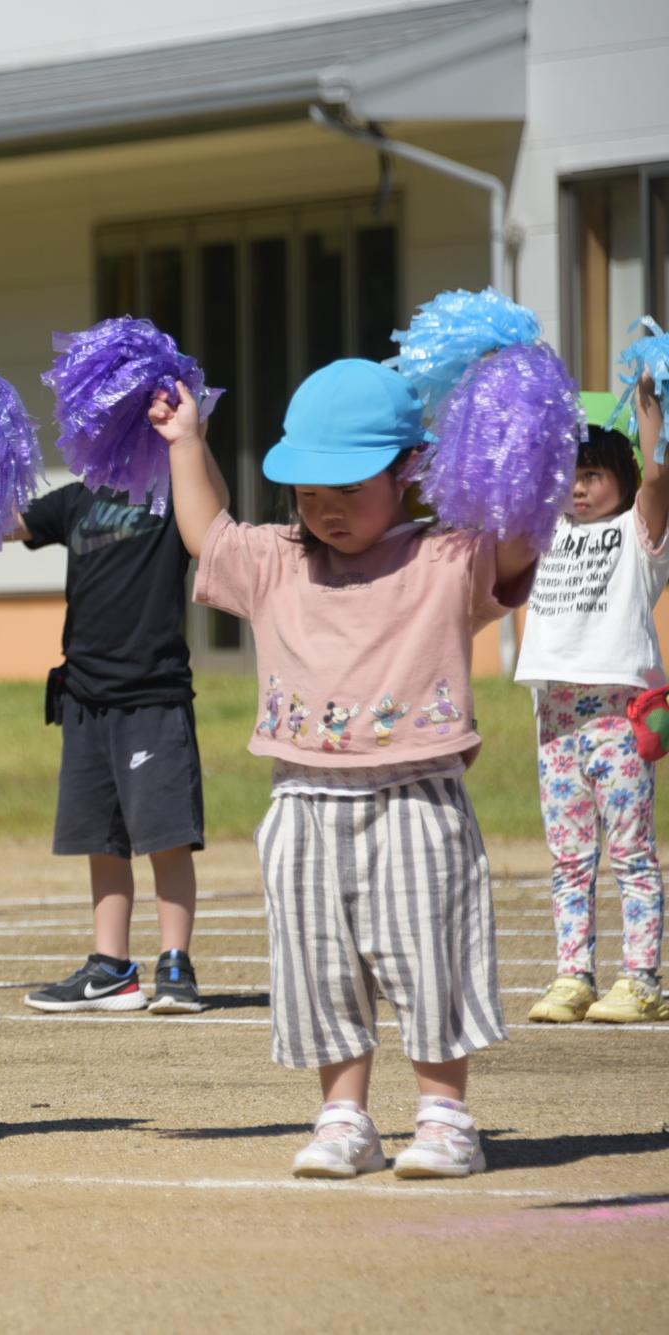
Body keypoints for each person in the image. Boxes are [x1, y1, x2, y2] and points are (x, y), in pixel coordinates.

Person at [161, 358, 536, 1179]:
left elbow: (515, 543)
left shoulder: (450, 556)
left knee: (430, 956)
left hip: (417, 797)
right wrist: (186, 440)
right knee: (319, 964)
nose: (325, 509)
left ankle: (444, 1117)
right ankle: (345, 1118)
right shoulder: (277, 559)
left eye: (347, 487)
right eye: (308, 491)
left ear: (409, 470)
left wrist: (515, 444)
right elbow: (208, 534)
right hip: (302, 800)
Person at [11, 480, 203, 1015]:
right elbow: (8, 524)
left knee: (167, 836)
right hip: (84, 694)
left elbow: (211, 507)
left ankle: (175, 963)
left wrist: (188, 436)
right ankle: (111, 968)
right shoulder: (78, 498)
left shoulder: (171, 491)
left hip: (151, 695)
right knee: (102, 837)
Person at [517, 377, 669, 1024]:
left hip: (619, 713)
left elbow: (659, 485)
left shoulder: (640, 534)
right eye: (569, 473)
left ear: (625, 476)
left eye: (592, 472)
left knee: (632, 852)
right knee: (569, 857)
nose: (577, 486)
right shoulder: (547, 528)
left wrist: (651, 427)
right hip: (555, 716)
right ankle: (573, 974)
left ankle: (641, 979)